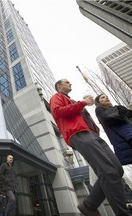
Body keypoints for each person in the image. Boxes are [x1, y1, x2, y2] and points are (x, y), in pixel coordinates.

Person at [50, 79, 131, 216]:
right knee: (108, 171)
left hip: (93, 135)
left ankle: (89, 205)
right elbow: (57, 112)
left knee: (116, 170)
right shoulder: (56, 97)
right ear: (59, 86)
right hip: (78, 134)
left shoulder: (72, 100)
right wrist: (83, 103)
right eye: (67, 82)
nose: (71, 83)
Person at [95, 94, 132, 165]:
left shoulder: (116, 111)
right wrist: (121, 110)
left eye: (107, 96)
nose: (106, 97)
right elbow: (109, 117)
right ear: (98, 103)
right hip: (125, 138)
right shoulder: (99, 109)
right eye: (103, 97)